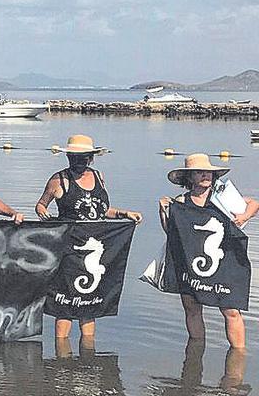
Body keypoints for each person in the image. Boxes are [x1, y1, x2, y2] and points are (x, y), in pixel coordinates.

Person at [35, 134, 143, 348]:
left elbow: (101, 211)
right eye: (75, 157)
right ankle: (62, 359)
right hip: (69, 249)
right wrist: (44, 217)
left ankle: (88, 356)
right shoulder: (59, 179)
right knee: (64, 303)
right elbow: (41, 205)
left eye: (84, 157)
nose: (79, 161)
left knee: (90, 303)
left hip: (97, 245)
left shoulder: (98, 176)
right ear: (68, 157)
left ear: (91, 158)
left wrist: (124, 213)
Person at [159, 153, 259, 348]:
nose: (205, 175)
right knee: (192, 308)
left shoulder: (222, 196)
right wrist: (163, 211)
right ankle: (195, 355)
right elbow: (172, 234)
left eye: (208, 172)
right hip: (191, 262)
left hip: (225, 261)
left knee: (231, 310)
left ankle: (238, 355)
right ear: (189, 178)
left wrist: (244, 217)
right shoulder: (180, 202)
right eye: (199, 172)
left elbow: (254, 203)